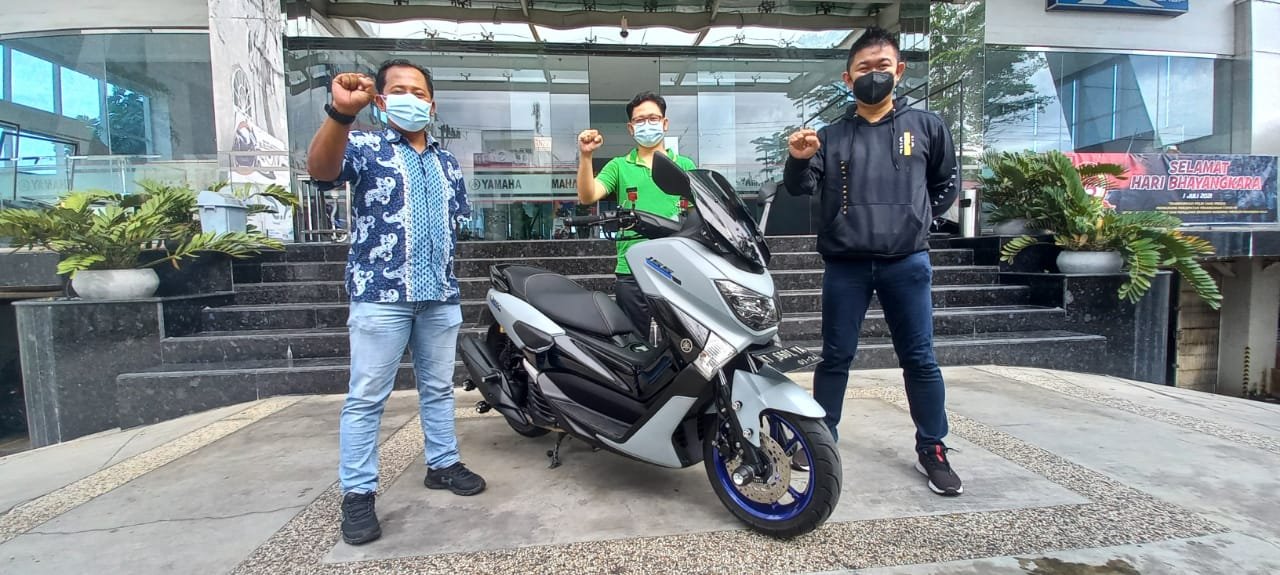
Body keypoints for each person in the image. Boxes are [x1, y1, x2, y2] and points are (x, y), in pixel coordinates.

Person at [307, 59, 486, 546]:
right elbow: (321, 171)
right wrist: (341, 114)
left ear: (432, 103)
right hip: (381, 295)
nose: (411, 98)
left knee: (439, 389)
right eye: (399, 90)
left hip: (439, 295)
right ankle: (358, 493)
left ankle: (442, 464)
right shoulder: (364, 146)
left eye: (419, 92)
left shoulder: (447, 162)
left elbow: (456, 222)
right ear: (382, 101)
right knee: (368, 397)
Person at [783, 28, 963, 497]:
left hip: (907, 263)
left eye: (882, 66)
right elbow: (801, 187)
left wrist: (917, 221)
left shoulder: (926, 126)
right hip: (846, 265)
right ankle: (823, 438)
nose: (874, 75)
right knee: (835, 357)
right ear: (848, 79)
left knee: (920, 359)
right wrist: (798, 160)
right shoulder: (830, 136)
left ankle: (933, 447)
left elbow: (946, 183)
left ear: (898, 71)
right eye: (863, 68)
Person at [575, 92, 697, 335]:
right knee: (635, 341)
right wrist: (586, 156)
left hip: (677, 267)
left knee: (684, 340)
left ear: (665, 123)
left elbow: (699, 214)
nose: (647, 124)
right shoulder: (619, 166)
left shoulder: (685, 166)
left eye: (653, 118)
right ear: (631, 128)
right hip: (631, 268)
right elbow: (588, 196)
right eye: (640, 120)